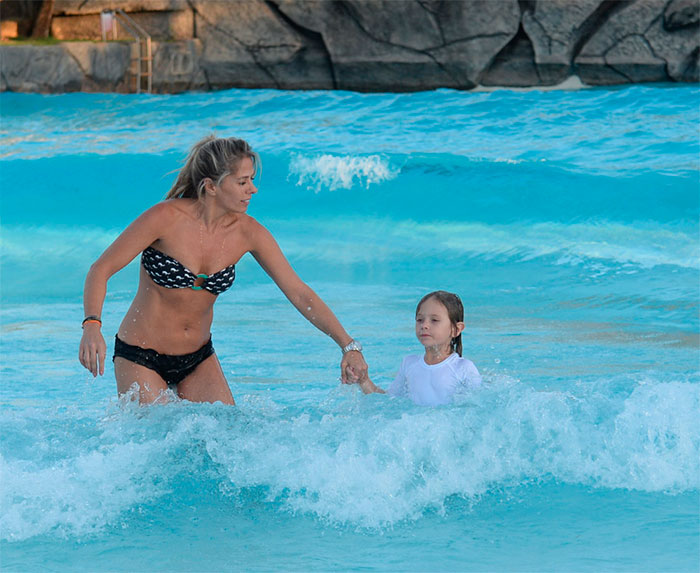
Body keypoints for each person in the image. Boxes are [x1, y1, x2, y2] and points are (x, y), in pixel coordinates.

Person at [79, 135, 368, 404]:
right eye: (243, 182)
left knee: (231, 439)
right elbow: (101, 269)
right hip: (140, 356)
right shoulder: (165, 218)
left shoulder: (248, 233)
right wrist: (92, 325)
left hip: (198, 358)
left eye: (252, 180)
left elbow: (299, 292)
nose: (252, 189)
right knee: (156, 443)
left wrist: (348, 346)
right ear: (212, 186)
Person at [347, 291, 481, 406]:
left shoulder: (464, 368)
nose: (424, 325)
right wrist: (363, 380)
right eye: (420, 320)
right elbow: (388, 402)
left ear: (456, 329)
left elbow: (476, 409)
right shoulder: (409, 364)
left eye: (434, 320)